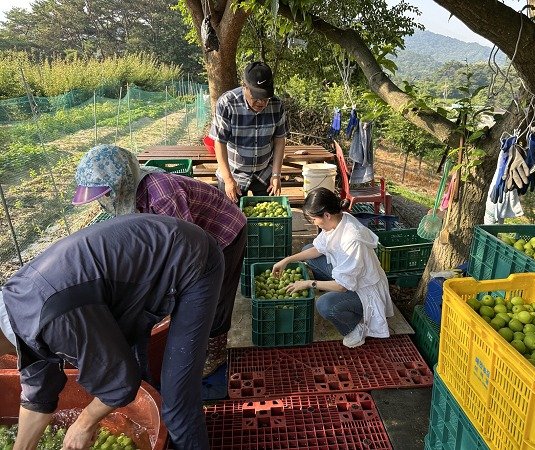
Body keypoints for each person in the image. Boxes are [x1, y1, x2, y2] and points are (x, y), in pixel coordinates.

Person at [0, 214, 224, 449]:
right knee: (140, 376)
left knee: (177, 398)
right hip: (139, 271)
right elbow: (38, 395)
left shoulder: (53, 320)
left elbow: (120, 382)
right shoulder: (18, 309)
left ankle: (187, 436)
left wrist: (84, 423)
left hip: (192, 260)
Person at [72, 144, 247, 376]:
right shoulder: (134, 189)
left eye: (106, 194)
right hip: (200, 233)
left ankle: (216, 354)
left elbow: (187, 247)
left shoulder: (162, 194)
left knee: (215, 297)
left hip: (224, 231)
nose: (103, 202)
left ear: (120, 182)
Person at [272, 188, 394, 348]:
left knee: (325, 305)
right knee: (307, 250)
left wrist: (309, 283)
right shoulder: (338, 221)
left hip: (362, 289)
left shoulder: (352, 239)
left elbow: (342, 286)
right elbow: (317, 249)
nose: (314, 223)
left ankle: (355, 328)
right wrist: (288, 260)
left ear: (326, 215)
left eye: (313, 219)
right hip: (348, 275)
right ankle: (334, 295)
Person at [209, 61, 288, 203]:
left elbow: (280, 140)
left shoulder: (277, 105)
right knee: (231, 219)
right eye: (256, 98)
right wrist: (228, 179)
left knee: (266, 218)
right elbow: (219, 142)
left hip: (265, 173)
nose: (261, 103)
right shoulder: (227, 103)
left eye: (265, 98)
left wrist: (276, 174)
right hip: (234, 173)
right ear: (244, 87)